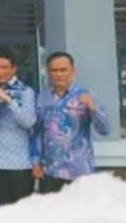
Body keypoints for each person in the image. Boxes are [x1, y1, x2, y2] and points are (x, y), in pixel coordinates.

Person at [32, 51, 110, 193]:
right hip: (50, 171)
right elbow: (37, 132)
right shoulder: (42, 97)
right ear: (48, 72)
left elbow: (105, 130)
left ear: (72, 71)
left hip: (80, 171)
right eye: (54, 70)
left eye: (63, 70)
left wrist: (93, 108)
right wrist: (35, 162)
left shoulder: (86, 94)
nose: (59, 74)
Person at [0, 50, 36, 206]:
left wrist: (9, 101)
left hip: (19, 163)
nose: (0, 71)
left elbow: (29, 122)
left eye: (4, 67)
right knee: (2, 210)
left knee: (21, 212)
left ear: (14, 68)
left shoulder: (25, 91)